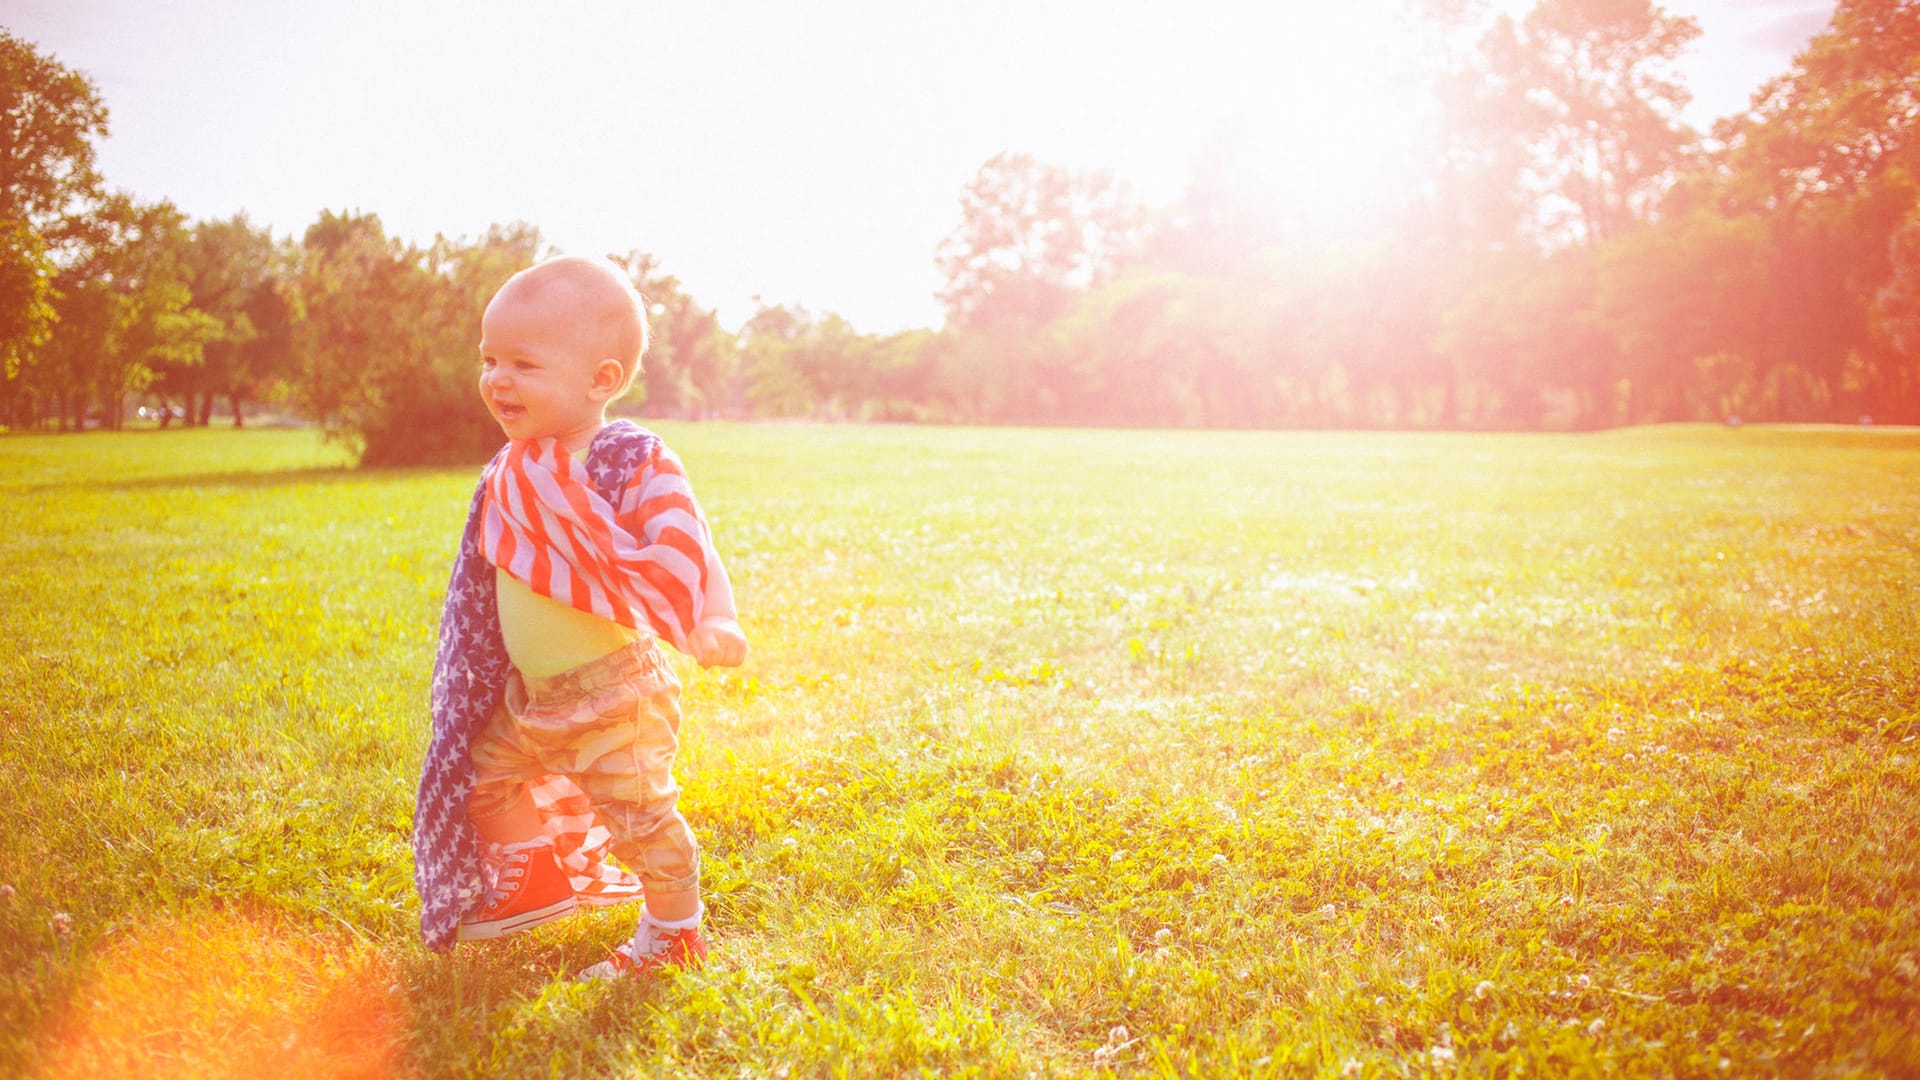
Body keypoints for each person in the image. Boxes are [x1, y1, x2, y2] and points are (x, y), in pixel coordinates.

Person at [411, 255, 747, 980]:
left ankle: (674, 933)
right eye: (490, 359)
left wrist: (715, 617)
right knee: (481, 776)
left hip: (613, 689)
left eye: (524, 363)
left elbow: (689, 543)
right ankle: (533, 884)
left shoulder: (624, 457)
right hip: (534, 697)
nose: (498, 379)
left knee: (640, 817)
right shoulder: (512, 467)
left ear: (602, 380)